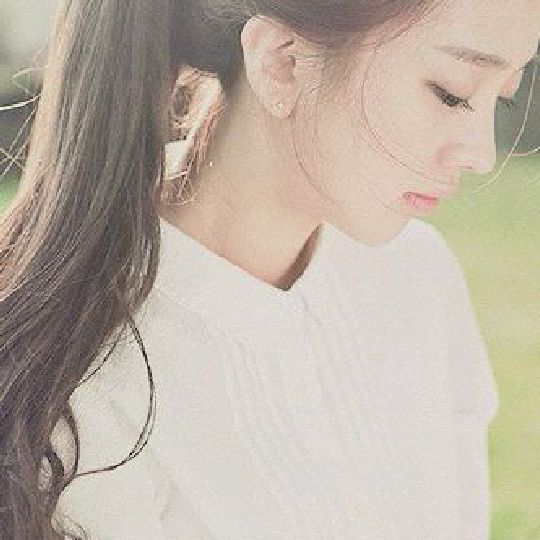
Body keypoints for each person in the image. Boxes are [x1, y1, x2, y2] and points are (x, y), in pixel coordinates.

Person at [0, 0, 538, 538]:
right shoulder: (86, 383)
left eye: (503, 98)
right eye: (451, 93)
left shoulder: (418, 278)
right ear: (282, 63)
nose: (482, 154)